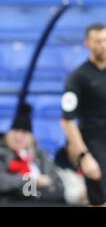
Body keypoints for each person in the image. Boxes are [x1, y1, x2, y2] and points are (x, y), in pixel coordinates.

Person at [0, 103, 65, 206]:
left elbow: (57, 184)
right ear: (7, 134)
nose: (19, 136)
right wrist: (33, 182)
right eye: (16, 131)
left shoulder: (41, 156)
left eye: (24, 133)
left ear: (31, 138)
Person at [60, 23, 106, 207]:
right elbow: (68, 121)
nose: (102, 45)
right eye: (98, 41)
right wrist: (84, 156)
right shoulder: (78, 77)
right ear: (87, 43)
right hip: (95, 146)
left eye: (105, 40)